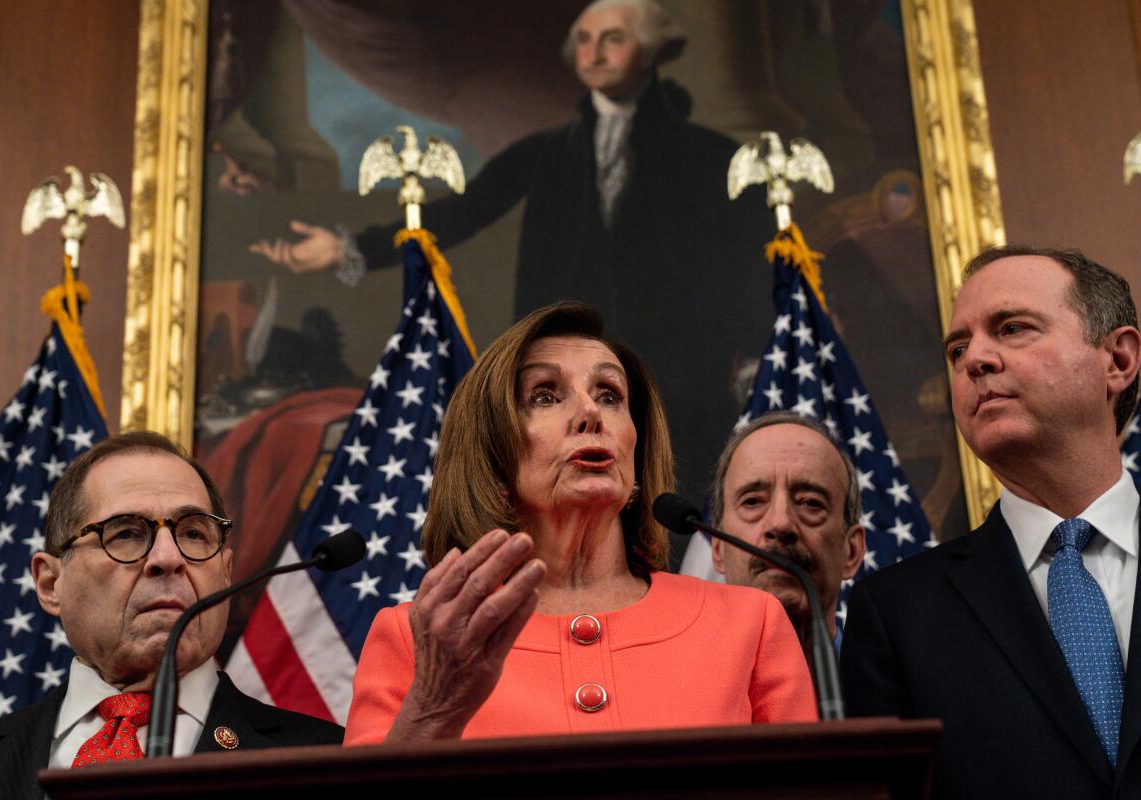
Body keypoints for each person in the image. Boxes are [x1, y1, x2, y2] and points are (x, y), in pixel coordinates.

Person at [249, 0, 775, 503]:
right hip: (564, 368)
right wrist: (349, 248)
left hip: (677, 379)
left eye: (613, 39)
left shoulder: (709, 157)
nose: (593, 52)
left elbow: (743, 265)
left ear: (655, 50)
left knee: (671, 512)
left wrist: (751, 352)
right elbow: (460, 211)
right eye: (585, 40)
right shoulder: (547, 151)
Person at [343, 302, 816, 744]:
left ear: (636, 446)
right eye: (545, 396)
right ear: (492, 454)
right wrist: (431, 707)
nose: (590, 413)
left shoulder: (749, 624)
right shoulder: (419, 637)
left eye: (610, 395)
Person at [841, 246, 1141, 799]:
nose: (974, 359)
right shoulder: (896, 617)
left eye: (1012, 328)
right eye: (958, 348)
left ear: (1117, 361)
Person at [0, 431, 342, 798]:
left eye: (193, 533)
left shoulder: (330, 763)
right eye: (127, 533)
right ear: (50, 584)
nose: (169, 559)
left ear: (225, 572)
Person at [709, 412, 865, 651]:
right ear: (718, 549)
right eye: (753, 502)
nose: (780, 524)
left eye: (810, 503)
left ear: (852, 551)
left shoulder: (895, 686)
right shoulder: (680, 686)